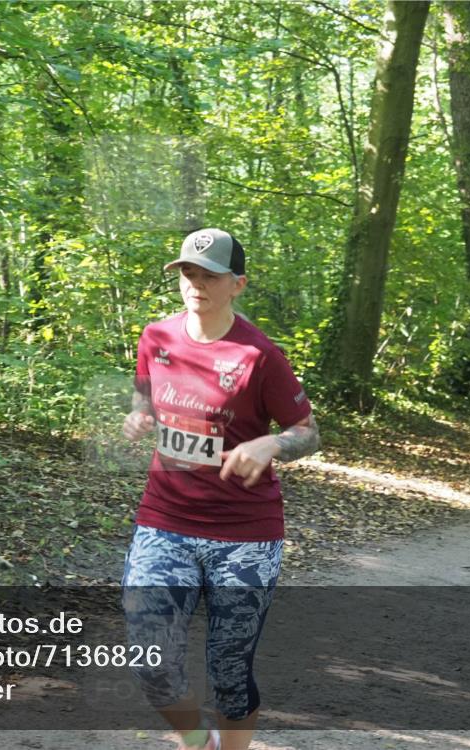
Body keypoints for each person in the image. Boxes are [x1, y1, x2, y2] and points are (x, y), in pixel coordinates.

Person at [121, 228, 320, 750]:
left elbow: (309, 432)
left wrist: (272, 445)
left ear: (238, 285)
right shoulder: (156, 337)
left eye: (210, 276)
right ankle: (196, 740)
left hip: (245, 535)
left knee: (229, 671)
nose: (196, 284)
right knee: (149, 657)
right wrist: (140, 416)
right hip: (165, 520)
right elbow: (146, 394)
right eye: (188, 273)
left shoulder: (259, 355)